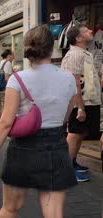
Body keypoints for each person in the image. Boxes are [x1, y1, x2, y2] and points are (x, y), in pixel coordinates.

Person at [0, 25, 77, 218]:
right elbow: (67, 116)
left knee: (11, 206)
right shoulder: (68, 78)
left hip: (23, 150)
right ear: (53, 47)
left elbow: (5, 123)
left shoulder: (18, 79)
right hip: (56, 146)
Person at [61, 25, 102, 182]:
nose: (90, 31)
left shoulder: (85, 54)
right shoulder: (73, 56)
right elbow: (74, 84)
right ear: (78, 38)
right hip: (81, 103)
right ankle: (67, 169)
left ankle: (72, 162)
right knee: (75, 133)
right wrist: (80, 108)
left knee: (81, 133)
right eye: (86, 31)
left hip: (90, 102)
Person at [0, 49, 15, 128]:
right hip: (4, 91)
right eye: (13, 55)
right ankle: (4, 130)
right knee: (6, 111)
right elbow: (7, 78)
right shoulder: (8, 63)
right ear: (9, 55)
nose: (14, 57)